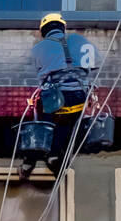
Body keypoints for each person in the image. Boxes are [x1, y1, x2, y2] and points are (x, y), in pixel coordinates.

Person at [29, 13, 98, 174]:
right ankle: (63, 156)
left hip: (56, 98)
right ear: (62, 27)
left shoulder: (39, 48)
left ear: (44, 30)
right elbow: (95, 64)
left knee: (47, 122)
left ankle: (45, 155)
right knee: (71, 125)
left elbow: (39, 74)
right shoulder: (81, 41)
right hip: (80, 96)